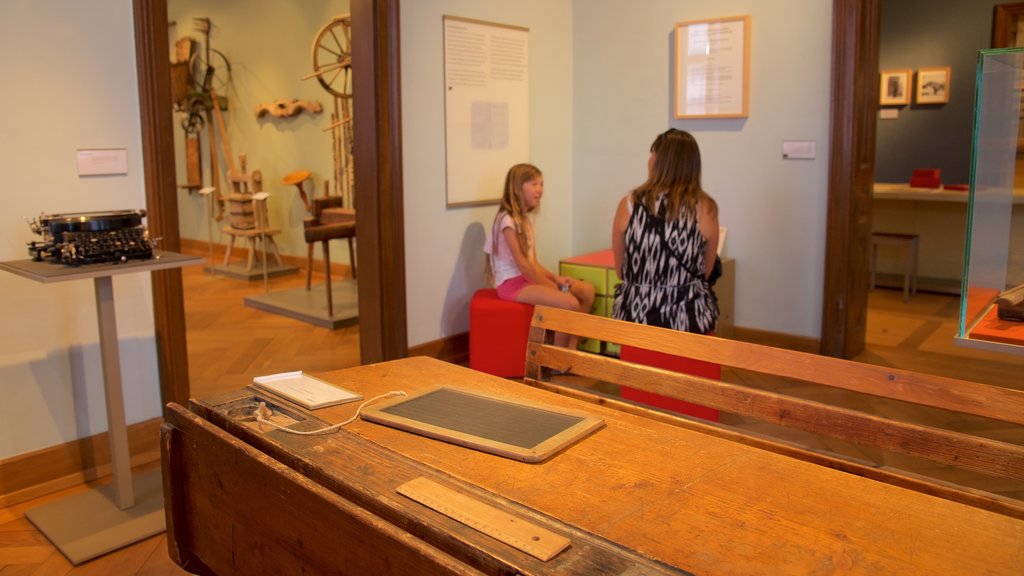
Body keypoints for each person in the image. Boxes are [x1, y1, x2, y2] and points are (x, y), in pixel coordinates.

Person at [612, 129, 719, 334]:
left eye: (652, 153)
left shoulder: (629, 205)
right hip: (689, 318)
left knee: (637, 367)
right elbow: (705, 271)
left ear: (659, 160)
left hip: (637, 317)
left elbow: (620, 271)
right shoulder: (706, 208)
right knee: (687, 368)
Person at [484, 163, 595, 347]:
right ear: (518, 188)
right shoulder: (507, 220)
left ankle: (571, 348)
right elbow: (523, 266)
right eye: (534, 184)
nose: (540, 190)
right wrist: (553, 287)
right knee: (570, 303)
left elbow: (533, 263)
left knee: (587, 292)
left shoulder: (526, 220)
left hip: (526, 278)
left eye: (541, 184)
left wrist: (556, 278)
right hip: (511, 284)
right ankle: (557, 359)